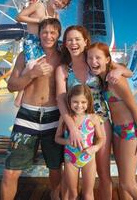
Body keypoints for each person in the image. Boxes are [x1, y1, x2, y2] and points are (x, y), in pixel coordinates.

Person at [55, 25, 132, 200]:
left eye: (77, 39)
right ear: (65, 43)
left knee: (103, 172)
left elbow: (129, 72)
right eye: (69, 39)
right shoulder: (64, 70)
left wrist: (120, 70)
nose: (73, 43)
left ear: (85, 41)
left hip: (100, 123)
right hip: (73, 124)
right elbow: (60, 99)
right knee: (71, 174)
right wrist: (72, 128)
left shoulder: (93, 62)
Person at [1, 18, 63, 200]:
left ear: (58, 35)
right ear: (39, 33)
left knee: (55, 168)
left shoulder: (63, 56)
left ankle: (55, 196)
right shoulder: (27, 55)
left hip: (54, 117)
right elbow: (11, 86)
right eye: (45, 32)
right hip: (27, 115)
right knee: (10, 172)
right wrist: (32, 74)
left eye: (53, 32)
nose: (48, 36)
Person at [87, 42, 137, 200]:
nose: (94, 61)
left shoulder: (116, 80)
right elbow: (127, 71)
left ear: (107, 59)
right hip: (116, 130)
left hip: (129, 131)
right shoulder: (104, 78)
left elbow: (135, 108)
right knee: (123, 184)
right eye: (90, 57)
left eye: (98, 57)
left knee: (128, 184)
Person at [14, 0, 72, 107]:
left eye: (63, 3)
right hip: (33, 41)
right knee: (31, 65)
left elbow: (57, 32)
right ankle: (20, 93)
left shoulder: (56, 16)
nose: (59, 3)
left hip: (48, 44)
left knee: (68, 48)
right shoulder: (39, 5)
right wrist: (39, 20)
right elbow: (19, 17)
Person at [55, 84, 104, 200]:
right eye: (75, 102)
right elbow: (57, 138)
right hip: (70, 160)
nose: (79, 105)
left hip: (88, 159)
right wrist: (67, 141)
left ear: (88, 102)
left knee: (88, 194)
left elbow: (101, 138)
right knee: (73, 194)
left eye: (83, 102)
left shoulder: (93, 118)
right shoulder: (65, 118)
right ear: (69, 101)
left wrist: (95, 148)